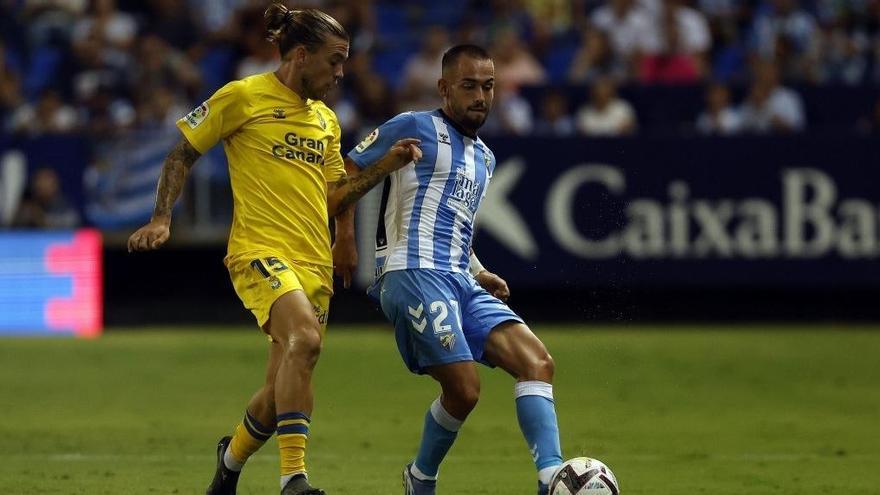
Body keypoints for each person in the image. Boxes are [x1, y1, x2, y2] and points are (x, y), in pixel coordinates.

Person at [127, 4, 420, 495]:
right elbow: (182, 152)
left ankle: (230, 464)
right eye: (334, 60)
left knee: (278, 387)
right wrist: (162, 217)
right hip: (258, 251)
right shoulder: (243, 96)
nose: (340, 72)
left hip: (314, 263)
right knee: (305, 341)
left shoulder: (326, 120)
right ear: (301, 55)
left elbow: (333, 197)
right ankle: (294, 480)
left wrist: (383, 167)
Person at [340, 44, 563, 495]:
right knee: (465, 387)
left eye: (488, 86)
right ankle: (422, 479)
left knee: (537, 363)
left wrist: (479, 270)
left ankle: (552, 478)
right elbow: (346, 168)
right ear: (443, 88)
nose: (481, 96)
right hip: (411, 273)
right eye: (469, 86)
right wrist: (343, 234)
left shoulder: (485, 158)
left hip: (460, 278)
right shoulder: (413, 126)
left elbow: (454, 222)